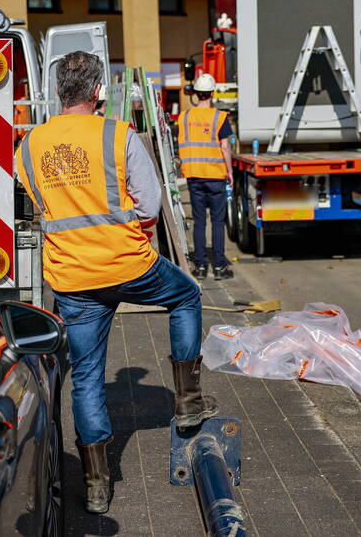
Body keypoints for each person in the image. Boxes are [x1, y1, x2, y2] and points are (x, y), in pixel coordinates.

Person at [15, 51, 218, 515]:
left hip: (71, 277)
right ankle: (188, 400)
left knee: (86, 377)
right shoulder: (116, 134)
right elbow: (149, 202)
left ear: (59, 92)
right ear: (98, 91)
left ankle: (96, 486)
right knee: (186, 295)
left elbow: (36, 206)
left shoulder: (28, 145)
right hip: (128, 264)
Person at [177, 73, 234, 281]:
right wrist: (229, 172)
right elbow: (225, 147)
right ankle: (219, 267)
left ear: (195, 94)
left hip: (194, 176)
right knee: (218, 222)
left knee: (199, 222)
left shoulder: (184, 117)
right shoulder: (219, 117)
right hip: (215, 176)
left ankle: (200, 267)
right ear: (212, 93)